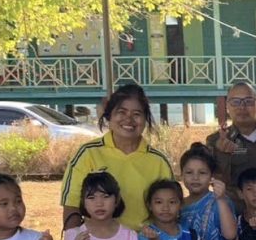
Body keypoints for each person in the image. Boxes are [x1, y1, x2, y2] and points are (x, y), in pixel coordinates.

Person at [61, 83, 175, 231]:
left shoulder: (159, 162)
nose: (129, 120)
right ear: (109, 115)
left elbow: (173, 209)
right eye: (122, 112)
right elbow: (72, 205)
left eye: (136, 114)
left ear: (145, 119)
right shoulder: (88, 154)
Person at [207, 80, 256, 198]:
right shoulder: (214, 141)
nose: (242, 107)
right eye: (235, 102)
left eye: (249, 101)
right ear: (227, 106)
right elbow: (212, 179)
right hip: (232, 207)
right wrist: (221, 153)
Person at [179, 143, 238, 240]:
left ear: (212, 176)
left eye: (202, 173)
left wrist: (221, 199)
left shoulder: (220, 202)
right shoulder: (177, 206)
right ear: (181, 175)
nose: (195, 177)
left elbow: (230, 235)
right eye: (189, 172)